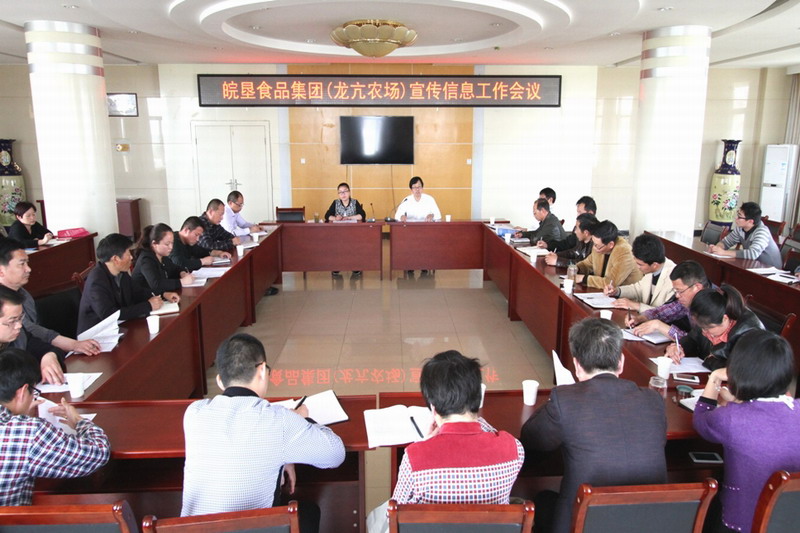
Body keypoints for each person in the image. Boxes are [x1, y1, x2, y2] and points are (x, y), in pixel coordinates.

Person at [181, 334, 345, 533]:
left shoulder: (194, 413)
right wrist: (302, 420)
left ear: (220, 381)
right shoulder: (279, 420)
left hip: (193, 530)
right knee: (308, 512)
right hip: (249, 529)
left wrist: (285, 456)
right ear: (261, 371)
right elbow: (335, 454)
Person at [520, 317, 666, 533]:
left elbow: (532, 439)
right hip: (651, 524)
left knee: (541, 499)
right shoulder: (654, 400)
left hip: (582, 523)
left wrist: (559, 398)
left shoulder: (565, 400)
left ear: (577, 365)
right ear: (621, 362)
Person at [693, 330, 800, 533]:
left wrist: (714, 377)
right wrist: (738, 402)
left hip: (740, 523)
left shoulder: (732, 418)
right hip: (792, 522)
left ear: (738, 369)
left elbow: (701, 420)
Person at [392, 350, 524, 505]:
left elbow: (394, 512)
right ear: (478, 396)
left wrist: (423, 444)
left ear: (433, 407)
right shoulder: (514, 449)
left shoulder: (414, 458)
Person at [0, 347, 110, 505]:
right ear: (22, 392)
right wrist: (78, 421)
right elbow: (98, 454)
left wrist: (21, 415)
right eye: (34, 391)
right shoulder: (29, 433)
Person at [0, 239, 100, 357]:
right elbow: (30, 329)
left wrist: (49, 354)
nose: (29, 269)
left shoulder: (24, 294)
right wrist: (73, 344)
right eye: (22, 264)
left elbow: (32, 339)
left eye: (27, 263)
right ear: (1, 271)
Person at [78, 233, 173, 335]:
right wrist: (148, 306)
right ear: (116, 259)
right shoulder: (96, 281)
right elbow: (109, 314)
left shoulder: (121, 272)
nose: (131, 257)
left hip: (118, 327)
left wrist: (163, 294)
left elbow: (138, 292)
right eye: (128, 253)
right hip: (95, 334)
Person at [667, 284, 763, 370]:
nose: (704, 332)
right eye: (701, 327)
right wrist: (679, 347)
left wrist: (710, 361)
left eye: (708, 328)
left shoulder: (749, 335)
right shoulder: (708, 315)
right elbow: (693, 338)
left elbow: (739, 371)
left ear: (725, 319)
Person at [625, 260, 710, 340]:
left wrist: (659, 326)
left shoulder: (712, 307)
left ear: (697, 287)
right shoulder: (689, 299)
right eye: (675, 291)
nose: (677, 295)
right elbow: (663, 312)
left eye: (680, 291)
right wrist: (640, 318)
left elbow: (697, 342)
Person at [0, 286, 65, 385]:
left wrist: (49, 356)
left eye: (20, 317)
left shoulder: (20, 335)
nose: (19, 325)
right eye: (12, 321)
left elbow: (47, 348)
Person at [604, 233, 676, 312]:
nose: (637, 266)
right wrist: (617, 291)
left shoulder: (674, 279)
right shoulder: (652, 267)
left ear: (654, 265)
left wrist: (636, 306)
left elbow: (666, 313)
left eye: (640, 264)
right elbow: (638, 289)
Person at [707, 202, 782, 268]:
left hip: (770, 270)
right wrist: (716, 248)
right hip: (754, 266)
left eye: (739, 217)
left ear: (750, 221)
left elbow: (753, 254)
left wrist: (724, 253)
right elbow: (726, 242)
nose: (736, 219)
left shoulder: (762, 231)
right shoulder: (740, 228)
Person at [574, 220, 641, 289]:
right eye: (593, 243)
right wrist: (576, 269)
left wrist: (584, 279)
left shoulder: (624, 252)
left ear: (611, 244)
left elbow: (611, 283)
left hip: (624, 294)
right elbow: (587, 264)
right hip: (602, 292)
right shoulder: (598, 247)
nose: (594, 248)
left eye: (597, 245)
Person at [132, 223, 195, 295]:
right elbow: (156, 284)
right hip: (143, 299)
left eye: (172, 243)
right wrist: (181, 282)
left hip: (160, 296)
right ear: (154, 244)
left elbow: (175, 268)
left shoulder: (163, 256)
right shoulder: (146, 259)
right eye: (167, 244)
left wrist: (182, 273)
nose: (171, 247)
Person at [325, 182, 367, 278]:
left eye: (345, 191)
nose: (343, 194)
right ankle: (337, 266)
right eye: (340, 192)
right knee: (337, 246)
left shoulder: (355, 202)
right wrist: (335, 218)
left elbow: (362, 215)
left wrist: (350, 217)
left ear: (349, 192)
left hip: (353, 232)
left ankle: (355, 266)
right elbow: (327, 216)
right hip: (338, 232)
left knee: (353, 246)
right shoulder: (335, 203)